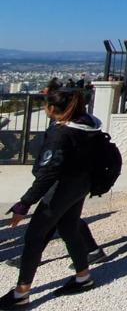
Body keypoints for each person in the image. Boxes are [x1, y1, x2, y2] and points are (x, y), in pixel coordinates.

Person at [0, 90, 103, 309]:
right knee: (69, 228)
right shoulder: (90, 127)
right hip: (81, 185)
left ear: (54, 109)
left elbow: (49, 171)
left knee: (35, 236)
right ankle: (83, 277)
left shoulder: (61, 134)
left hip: (61, 188)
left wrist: (25, 202)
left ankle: (21, 293)